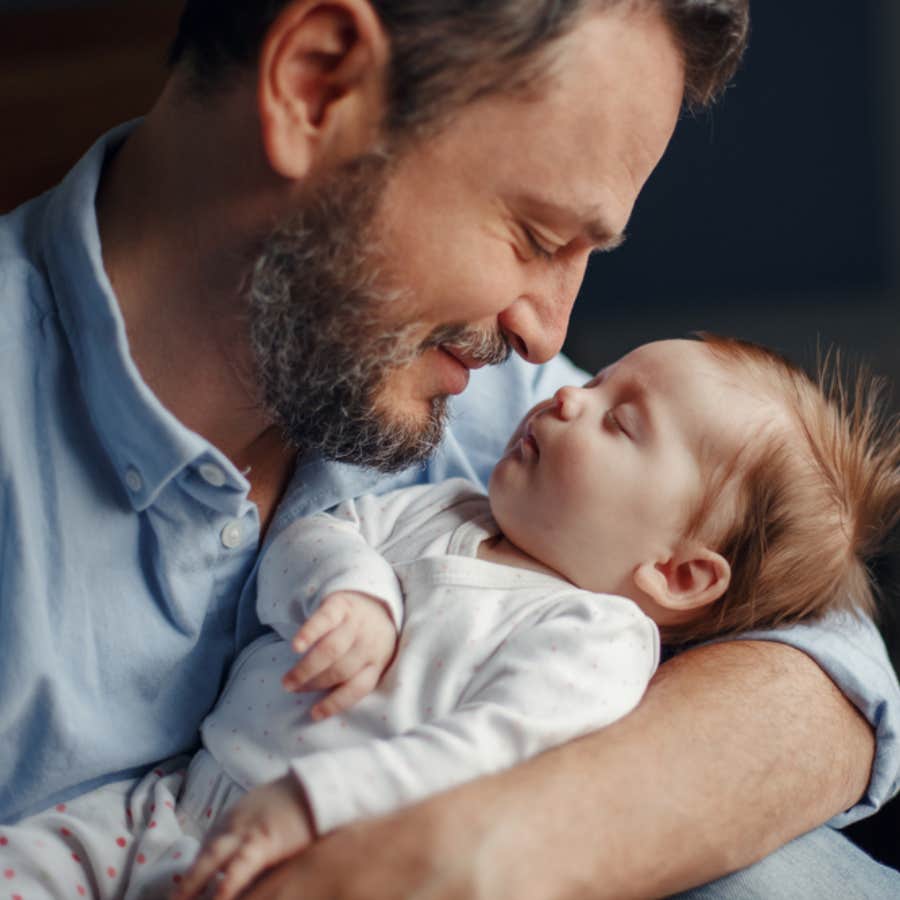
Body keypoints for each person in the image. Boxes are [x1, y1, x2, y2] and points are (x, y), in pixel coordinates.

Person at [0, 0, 898, 897]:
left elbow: (825, 655)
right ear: (318, 86)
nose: (547, 340)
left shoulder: (488, 405)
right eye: (537, 237)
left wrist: (489, 847)